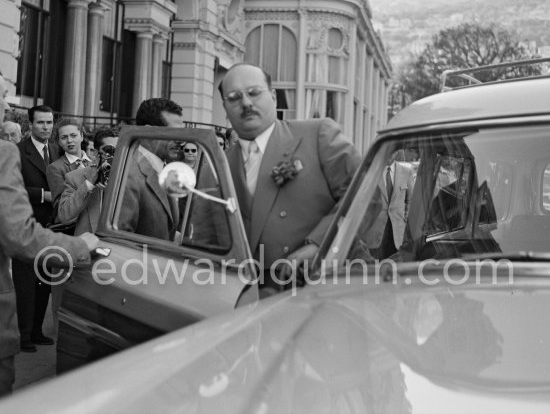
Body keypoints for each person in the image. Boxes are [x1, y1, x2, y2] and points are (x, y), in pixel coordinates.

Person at [0, 71, 99, 396]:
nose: (4, 105)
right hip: (44, 236)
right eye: (2, 97)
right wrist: (79, 246)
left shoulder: (93, 162)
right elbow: (19, 235)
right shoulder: (7, 152)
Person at [218, 63, 361, 288]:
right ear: (224, 107)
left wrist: (318, 245)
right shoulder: (217, 164)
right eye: (234, 97)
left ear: (274, 96)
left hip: (324, 286)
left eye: (254, 93)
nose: (246, 103)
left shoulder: (318, 134)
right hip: (251, 297)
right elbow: (207, 237)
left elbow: (364, 196)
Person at [12, 105, 58, 353]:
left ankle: (37, 331)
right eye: (41, 123)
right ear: (30, 124)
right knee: (25, 284)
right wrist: (44, 195)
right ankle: (23, 335)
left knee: (44, 283)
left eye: (49, 123)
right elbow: (12, 186)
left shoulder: (56, 150)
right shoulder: (18, 151)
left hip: (51, 228)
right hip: (27, 227)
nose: (46, 127)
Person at [117, 98, 184, 240]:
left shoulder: (164, 169)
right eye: (174, 133)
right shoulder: (129, 174)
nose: (181, 140)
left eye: (182, 133)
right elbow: (121, 242)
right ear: (148, 131)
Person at [57, 127, 119, 236]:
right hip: (88, 248)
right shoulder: (75, 178)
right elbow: (65, 217)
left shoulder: (130, 179)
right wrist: (89, 184)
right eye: (109, 151)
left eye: (118, 151)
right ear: (96, 153)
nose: (114, 157)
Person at [365, 151, 415, 260]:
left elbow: (410, 200)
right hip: (374, 234)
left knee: (395, 270)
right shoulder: (371, 172)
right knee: (374, 270)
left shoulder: (406, 171)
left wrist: (404, 220)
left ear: (397, 153)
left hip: (397, 235)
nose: (389, 155)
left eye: (392, 153)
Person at [46, 118, 94, 215]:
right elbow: (61, 206)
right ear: (59, 141)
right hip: (73, 224)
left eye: (73, 135)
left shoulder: (95, 162)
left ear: (81, 136)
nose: (69, 140)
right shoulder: (55, 168)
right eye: (64, 137)